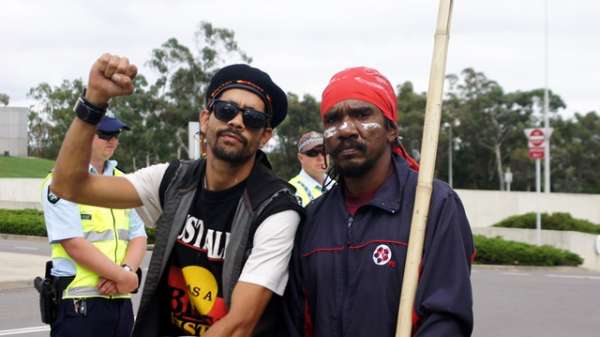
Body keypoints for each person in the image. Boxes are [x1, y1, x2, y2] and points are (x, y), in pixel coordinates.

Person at [50, 53, 303, 337]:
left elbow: (238, 327)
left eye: (253, 118)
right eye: (226, 109)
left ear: (265, 136)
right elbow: (68, 185)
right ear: (205, 119)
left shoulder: (276, 209)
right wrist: (93, 101)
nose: (237, 121)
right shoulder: (174, 180)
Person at [285, 67, 475, 337]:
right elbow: (295, 320)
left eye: (362, 115)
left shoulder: (434, 205)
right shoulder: (312, 218)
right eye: (333, 120)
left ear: (391, 130)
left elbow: (447, 317)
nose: (346, 129)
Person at [41, 115, 147, 337]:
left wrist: (125, 272)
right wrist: (123, 277)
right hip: (79, 303)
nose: (113, 141)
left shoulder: (124, 182)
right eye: (105, 135)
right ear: (83, 137)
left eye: (116, 135)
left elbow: (138, 235)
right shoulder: (60, 181)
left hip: (120, 302)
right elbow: (73, 244)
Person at [288, 131, 332, 206]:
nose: (321, 158)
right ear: (300, 158)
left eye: (324, 151)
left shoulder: (335, 184)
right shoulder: (292, 191)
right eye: (313, 153)